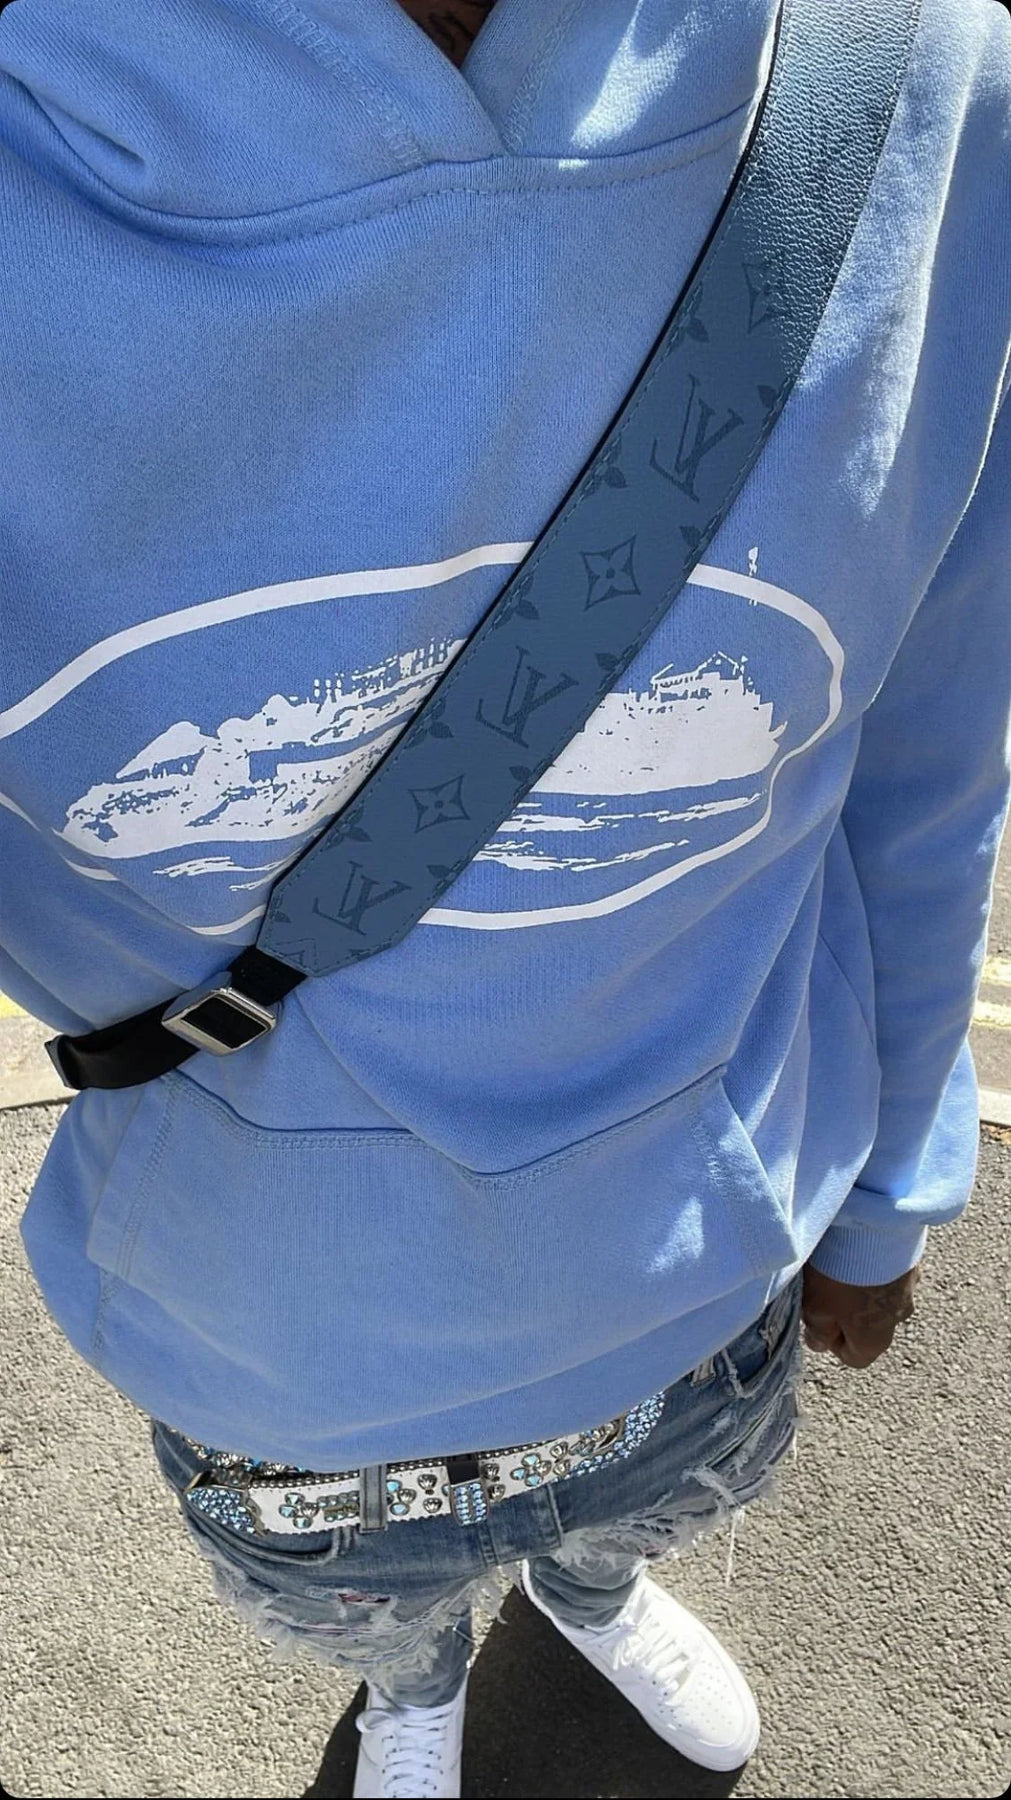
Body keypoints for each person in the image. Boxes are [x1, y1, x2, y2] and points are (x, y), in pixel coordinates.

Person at [1, 1, 1008, 1795]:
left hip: (696, 1286)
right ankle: (412, 1685)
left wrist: (893, 1188)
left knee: (645, 1510)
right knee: (361, 1605)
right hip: (265, 1358)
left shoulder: (921, 65)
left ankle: (592, 1593)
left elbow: (928, 730)